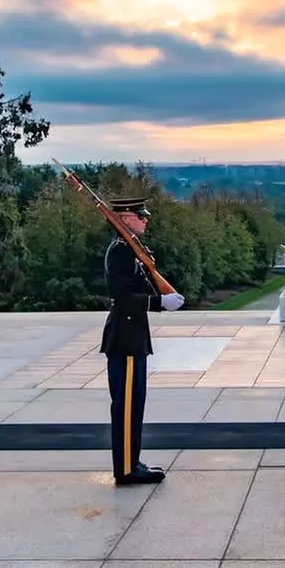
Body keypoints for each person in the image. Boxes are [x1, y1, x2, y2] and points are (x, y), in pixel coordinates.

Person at [99, 196, 185, 485]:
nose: (145, 219)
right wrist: (160, 302)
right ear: (124, 219)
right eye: (140, 215)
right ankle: (125, 469)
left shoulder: (131, 249)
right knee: (125, 407)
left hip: (133, 337)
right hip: (124, 338)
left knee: (134, 405)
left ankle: (131, 461)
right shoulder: (120, 252)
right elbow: (123, 299)